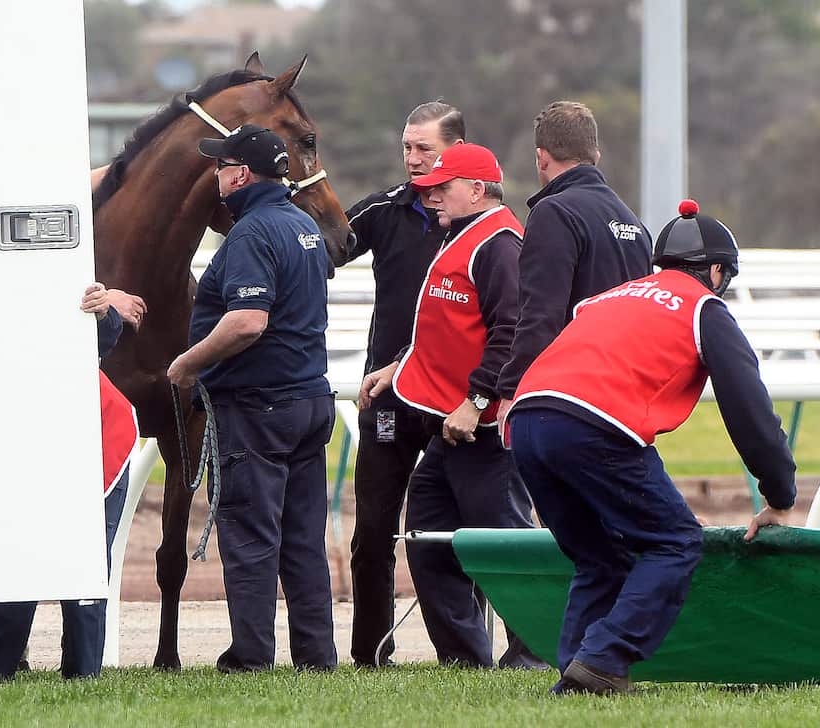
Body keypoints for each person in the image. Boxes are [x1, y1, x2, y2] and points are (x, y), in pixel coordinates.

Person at [504, 200, 797, 695]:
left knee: (600, 557)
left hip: (527, 421)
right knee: (676, 540)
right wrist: (780, 493)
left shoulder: (609, 297)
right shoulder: (705, 307)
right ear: (718, 271)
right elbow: (749, 409)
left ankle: (578, 673)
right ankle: (604, 658)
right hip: (592, 423)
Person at [358, 143, 543, 670]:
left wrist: (477, 400)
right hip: (446, 428)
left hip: (480, 431)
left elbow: (511, 331)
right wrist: (399, 366)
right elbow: (442, 327)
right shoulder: (458, 236)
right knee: (427, 540)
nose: (431, 196)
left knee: (506, 548)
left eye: (442, 188)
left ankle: (530, 656)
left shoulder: (500, 244)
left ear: (476, 190)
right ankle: (464, 659)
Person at [167, 124, 336, 673]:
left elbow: (246, 321)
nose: (216, 174)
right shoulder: (302, 225)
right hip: (310, 398)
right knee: (303, 540)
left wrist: (188, 364)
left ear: (240, 174)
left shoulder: (250, 233)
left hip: (260, 407)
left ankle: (251, 657)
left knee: (252, 536)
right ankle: (315, 655)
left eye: (221, 166)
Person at [0, 284, 143, 686]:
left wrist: (103, 311)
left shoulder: (59, 281)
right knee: (20, 555)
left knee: (87, 560)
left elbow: (100, 344)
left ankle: (83, 671)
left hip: (100, 438)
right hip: (33, 440)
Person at [342, 102, 465, 667]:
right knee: (371, 534)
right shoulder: (383, 211)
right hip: (387, 398)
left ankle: (469, 655)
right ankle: (370, 655)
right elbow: (316, 252)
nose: (413, 160)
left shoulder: (481, 224)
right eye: (408, 148)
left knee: (464, 534)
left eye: (426, 150)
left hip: (456, 402)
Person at [497, 101, 653, 421]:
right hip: (625, 398)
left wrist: (514, 391)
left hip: (569, 399)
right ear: (596, 156)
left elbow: (540, 315)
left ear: (541, 158)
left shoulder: (554, 213)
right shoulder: (635, 224)